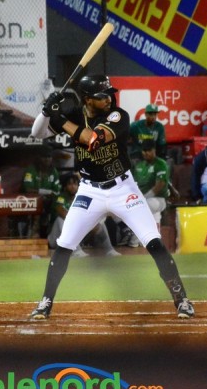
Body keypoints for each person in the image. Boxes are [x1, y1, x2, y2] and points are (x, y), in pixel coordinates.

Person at [28, 73, 194, 320]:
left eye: (109, 94)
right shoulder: (75, 115)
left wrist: (59, 118)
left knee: (154, 242)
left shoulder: (118, 116)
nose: (108, 99)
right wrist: (45, 111)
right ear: (87, 99)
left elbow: (93, 141)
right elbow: (37, 132)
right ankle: (45, 302)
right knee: (64, 245)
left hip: (123, 189)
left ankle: (182, 300)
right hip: (89, 190)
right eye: (102, 96)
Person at [48, 172, 120, 257]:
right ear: (65, 186)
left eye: (75, 184)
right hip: (57, 239)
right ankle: (76, 252)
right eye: (69, 184)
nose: (73, 186)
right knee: (61, 220)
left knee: (100, 224)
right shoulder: (60, 198)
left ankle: (110, 250)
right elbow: (63, 213)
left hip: (78, 237)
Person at [17, 144, 61, 238]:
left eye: (49, 157)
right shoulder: (31, 170)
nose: (47, 159)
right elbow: (28, 189)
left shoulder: (53, 172)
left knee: (56, 208)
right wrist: (46, 192)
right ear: (39, 158)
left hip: (48, 203)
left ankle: (49, 236)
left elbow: (56, 192)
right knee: (38, 208)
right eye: (44, 157)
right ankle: (31, 234)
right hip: (30, 203)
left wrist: (47, 194)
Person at [132, 139, 171, 226]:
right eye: (144, 150)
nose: (146, 153)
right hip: (142, 199)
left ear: (154, 150)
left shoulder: (160, 164)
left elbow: (160, 184)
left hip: (158, 199)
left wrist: (144, 198)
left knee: (145, 205)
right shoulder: (139, 165)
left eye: (149, 150)